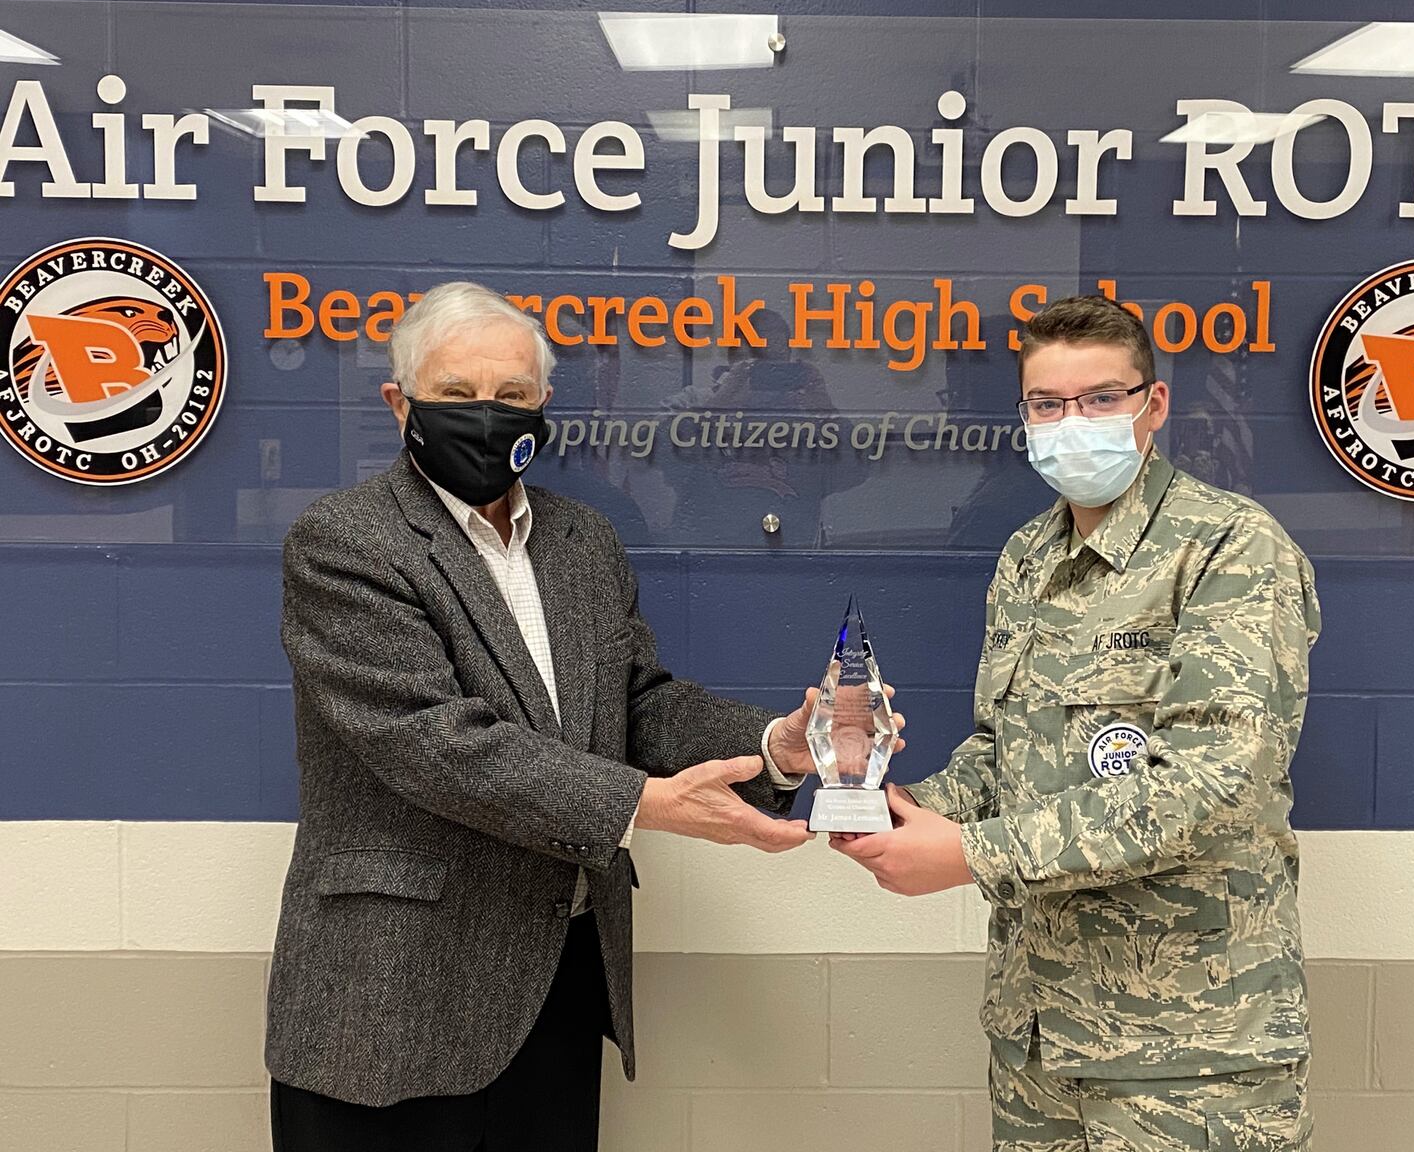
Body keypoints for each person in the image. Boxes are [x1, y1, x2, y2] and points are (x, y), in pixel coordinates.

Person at [265, 282, 880, 1152]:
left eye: (512, 396)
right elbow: (433, 746)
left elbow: (635, 702)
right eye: (456, 396)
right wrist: (650, 807)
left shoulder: (584, 537)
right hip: (392, 996)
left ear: (544, 405)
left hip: (557, 978)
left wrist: (775, 746)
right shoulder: (346, 542)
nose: (487, 416)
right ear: (398, 403)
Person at [831, 294, 1320, 1151]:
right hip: (1038, 1042)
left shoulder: (1230, 548)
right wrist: (894, 801)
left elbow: (1212, 785)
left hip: (1187, 1056)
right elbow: (1000, 753)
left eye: (1101, 399)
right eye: (1048, 405)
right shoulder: (1027, 556)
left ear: (1152, 406)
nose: (1074, 423)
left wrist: (969, 853)